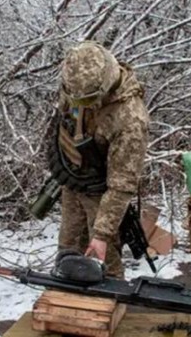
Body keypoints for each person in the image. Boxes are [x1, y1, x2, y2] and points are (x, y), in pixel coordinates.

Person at [50, 41, 149, 278]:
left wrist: (102, 234)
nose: (77, 104)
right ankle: (68, 302)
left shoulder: (129, 119)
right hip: (74, 183)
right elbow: (65, 122)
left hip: (104, 196)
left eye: (84, 101)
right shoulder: (76, 85)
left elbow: (122, 184)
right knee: (68, 251)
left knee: (102, 262)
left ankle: (108, 305)